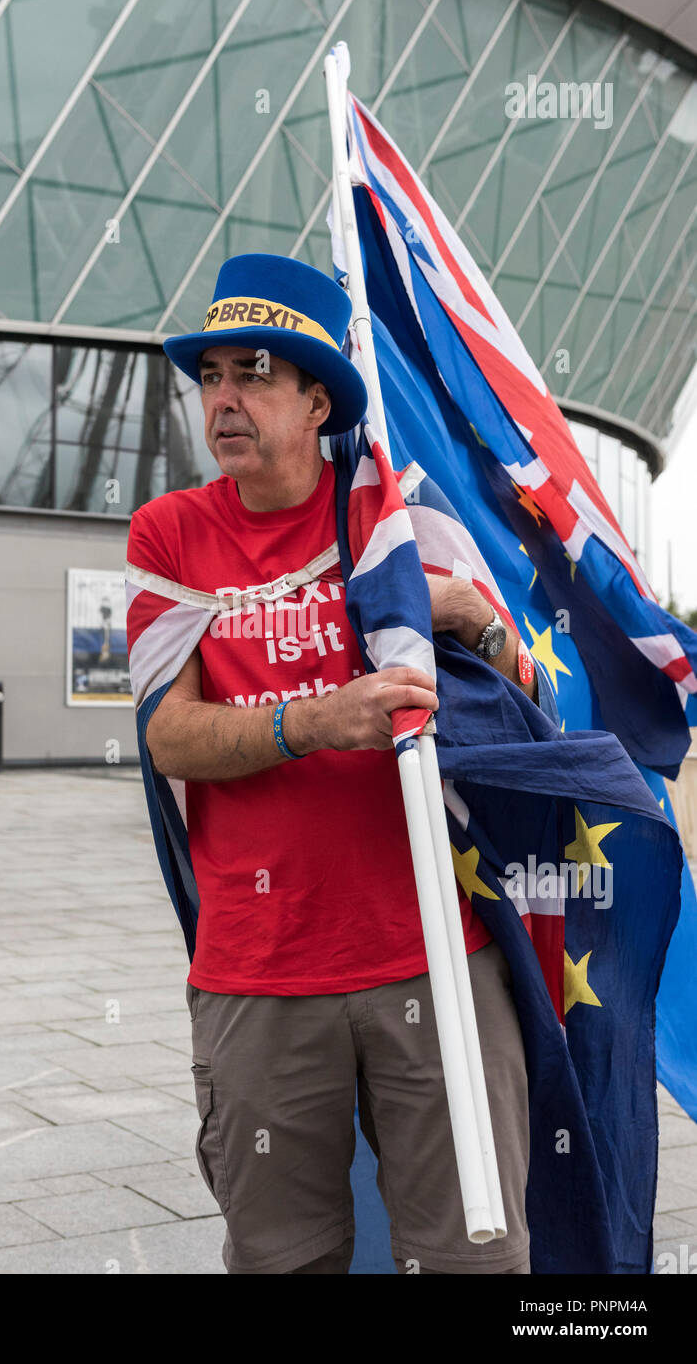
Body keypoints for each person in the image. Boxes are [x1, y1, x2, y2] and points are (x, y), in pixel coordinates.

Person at [127, 253, 550, 1275]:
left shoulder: (401, 516)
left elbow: (532, 693)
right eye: (212, 377)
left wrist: (474, 623)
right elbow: (168, 735)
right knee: (283, 1256)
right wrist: (322, 720)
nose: (225, 399)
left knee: (473, 1255)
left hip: (438, 952)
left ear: (319, 398)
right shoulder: (171, 532)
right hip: (258, 971)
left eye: (255, 373)